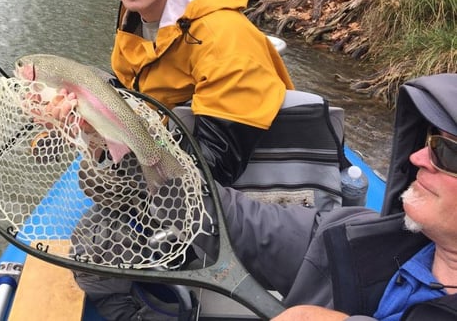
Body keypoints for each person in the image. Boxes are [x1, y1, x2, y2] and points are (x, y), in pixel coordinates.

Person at [74, 73, 457, 320]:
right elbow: (228, 217)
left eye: (447, 152)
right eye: (427, 141)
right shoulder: (354, 237)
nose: (417, 157)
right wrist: (116, 137)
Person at [93, 0, 294, 186]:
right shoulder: (134, 11)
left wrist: (127, 155)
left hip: (237, 192)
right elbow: (132, 89)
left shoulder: (223, 37)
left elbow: (213, 166)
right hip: (166, 146)